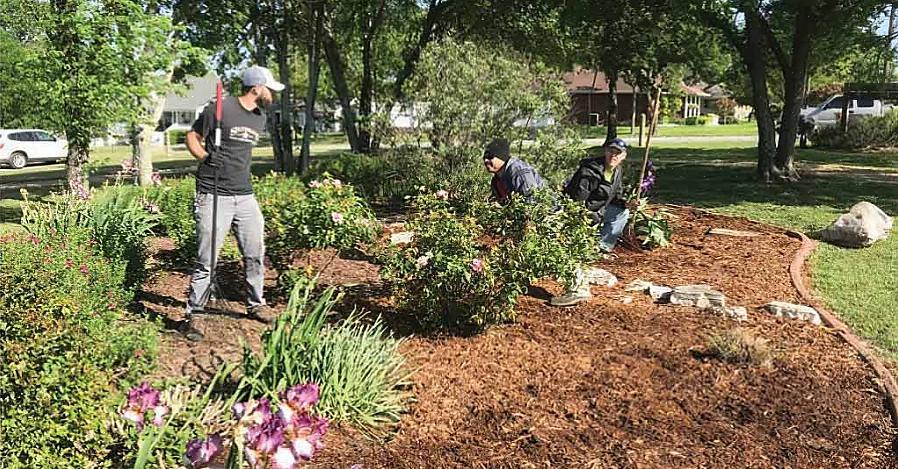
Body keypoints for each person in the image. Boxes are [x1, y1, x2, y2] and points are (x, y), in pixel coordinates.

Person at [179, 65, 284, 341]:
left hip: (245, 195)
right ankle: (195, 313)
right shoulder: (220, 109)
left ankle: (256, 304)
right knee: (207, 259)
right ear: (256, 88)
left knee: (255, 252)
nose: (272, 94)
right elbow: (192, 136)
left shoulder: (259, 118)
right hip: (214, 193)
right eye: (270, 88)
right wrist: (204, 157)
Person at [549, 138, 631, 307]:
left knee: (623, 212)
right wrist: (584, 221)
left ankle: (600, 247)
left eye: (617, 153)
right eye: (610, 151)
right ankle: (577, 288)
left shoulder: (617, 171)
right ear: (605, 151)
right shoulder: (590, 171)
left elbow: (615, 197)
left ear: (623, 156)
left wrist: (627, 203)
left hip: (598, 213)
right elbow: (578, 200)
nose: (613, 155)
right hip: (577, 212)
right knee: (571, 247)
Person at [483, 138, 547, 203]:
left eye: (490, 156)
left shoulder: (519, 173)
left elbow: (532, 201)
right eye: (484, 157)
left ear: (501, 157)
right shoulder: (496, 180)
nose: (486, 160)